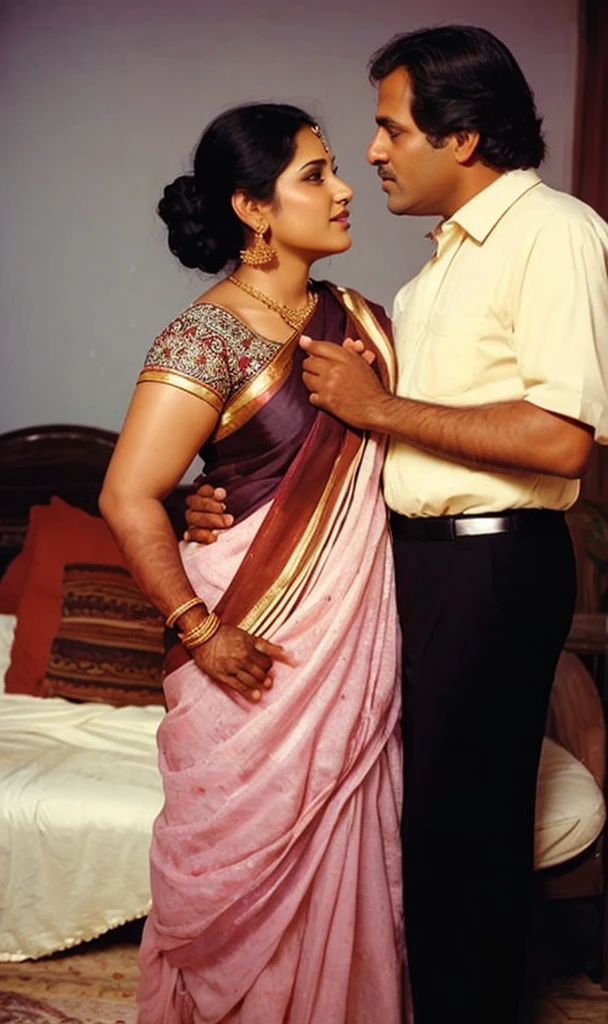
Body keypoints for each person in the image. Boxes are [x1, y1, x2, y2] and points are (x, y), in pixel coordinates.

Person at [185, 26, 608, 1024]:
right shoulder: (426, 279)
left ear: (458, 137)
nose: (371, 155)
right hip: (413, 568)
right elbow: (328, 448)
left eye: (386, 129)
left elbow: (559, 441)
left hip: (490, 564)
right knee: (418, 828)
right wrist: (212, 498)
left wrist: (379, 409)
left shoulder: (553, 233)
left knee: (462, 833)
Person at [99, 103, 408, 1023]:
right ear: (253, 207)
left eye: (335, 168)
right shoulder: (207, 337)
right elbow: (127, 495)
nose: (346, 186)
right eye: (315, 174)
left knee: (349, 859)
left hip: (354, 655)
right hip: (249, 653)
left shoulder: (364, 323)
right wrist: (201, 629)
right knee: (237, 887)